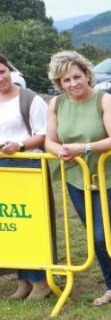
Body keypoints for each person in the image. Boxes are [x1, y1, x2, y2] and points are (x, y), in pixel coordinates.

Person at [42, 51, 111, 305]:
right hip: (76, 177)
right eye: (65, 80)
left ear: (87, 74)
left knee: (101, 235)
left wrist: (83, 148)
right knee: (95, 236)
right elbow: (49, 139)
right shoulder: (56, 104)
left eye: (76, 77)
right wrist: (58, 151)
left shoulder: (105, 100)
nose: (73, 84)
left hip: (108, 174)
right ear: (58, 84)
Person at [0, 52, 53, 299]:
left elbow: (44, 135)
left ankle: (41, 280)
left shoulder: (30, 100)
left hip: (27, 166)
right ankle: (23, 280)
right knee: (13, 225)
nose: (0, 78)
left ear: (10, 71)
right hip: (3, 171)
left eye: (2, 72)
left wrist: (20, 146)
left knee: (33, 223)